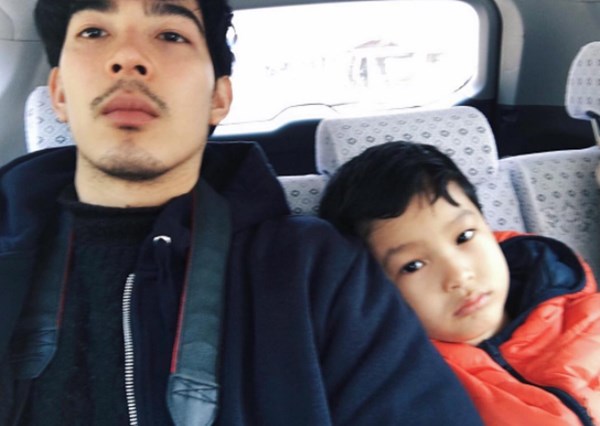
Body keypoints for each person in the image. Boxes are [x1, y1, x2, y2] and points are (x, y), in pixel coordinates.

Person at [0, 1, 485, 425]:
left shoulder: (318, 273)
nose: (127, 57)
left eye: (170, 35)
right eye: (94, 32)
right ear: (59, 93)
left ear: (219, 98)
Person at [319, 141, 600, 425]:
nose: (458, 275)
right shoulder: (409, 387)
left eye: (464, 237)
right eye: (413, 266)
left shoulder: (579, 307)